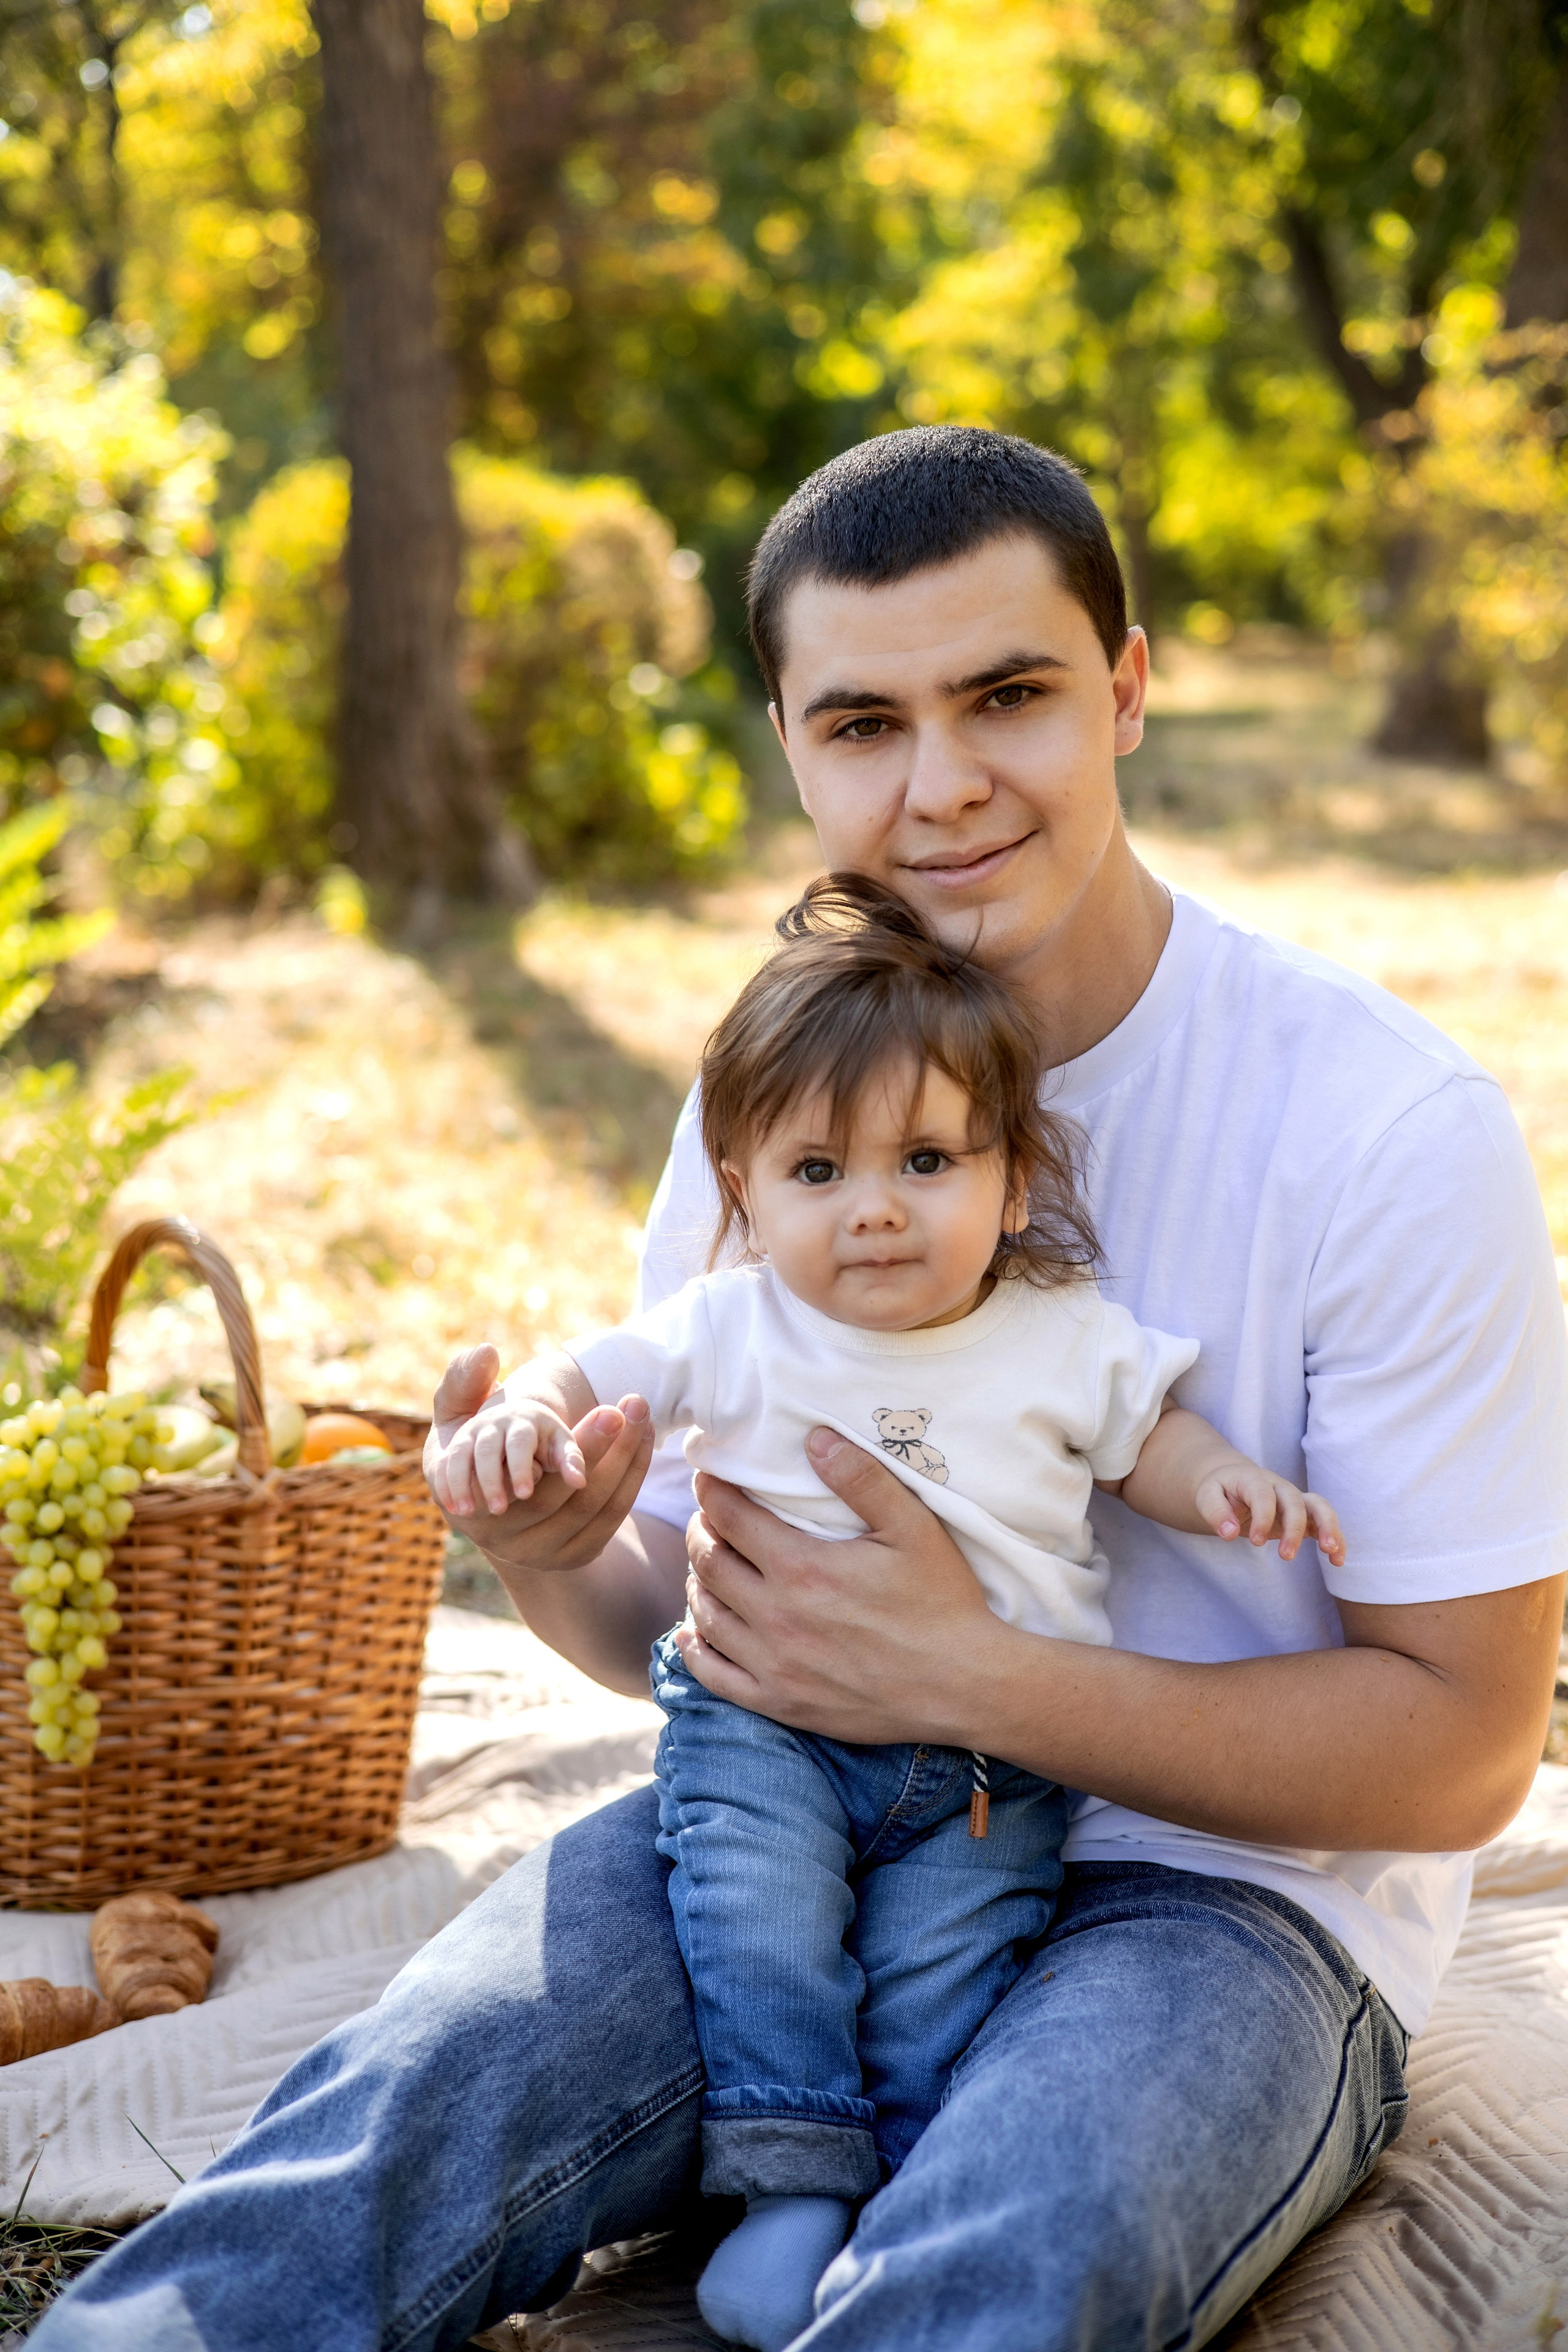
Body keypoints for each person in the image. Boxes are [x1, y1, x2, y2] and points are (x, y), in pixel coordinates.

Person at [34, 425, 1567, 2352]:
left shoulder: (1385, 1131)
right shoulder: (781, 1110)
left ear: (1128, 688)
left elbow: (1462, 1749)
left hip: (1227, 1904)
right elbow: (689, 1618)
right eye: (863, 723)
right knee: (393, 2122)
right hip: (798, 1816)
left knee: (1016, 2252)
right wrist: (555, 1555)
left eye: (1007, 696)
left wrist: (976, 1679)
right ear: (791, 743)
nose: (940, 789)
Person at [430, 871, 1345, 2350]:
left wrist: (1230, 1487)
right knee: (754, 1930)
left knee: (943, 1983)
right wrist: (516, 1426)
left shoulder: (1057, 1335)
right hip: (763, 1730)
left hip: (993, 1766)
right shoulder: (737, 1322)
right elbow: (586, 1373)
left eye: (924, 1161)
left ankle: (889, 2196)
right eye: (814, 1175)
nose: (870, 1213)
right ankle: (787, 2184)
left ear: (1012, 1185)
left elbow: (1149, 1444)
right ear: (742, 1193)